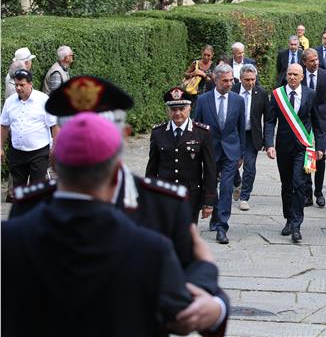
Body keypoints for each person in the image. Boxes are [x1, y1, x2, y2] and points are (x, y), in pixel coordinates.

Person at [11, 75, 229, 334]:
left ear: (56, 157)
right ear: (121, 143)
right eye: (76, 123)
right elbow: (181, 307)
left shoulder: (162, 204)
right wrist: (212, 285)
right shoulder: (30, 204)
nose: (86, 131)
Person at [1, 113, 194, 337]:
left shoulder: (7, 238)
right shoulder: (152, 249)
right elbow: (180, 316)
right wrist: (207, 268)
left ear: (54, 164)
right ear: (116, 174)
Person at [265, 63, 325, 243]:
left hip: (303, 147)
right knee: (286, 185)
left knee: (299, 184)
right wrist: (269, 144)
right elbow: (269, 121)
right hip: (283, 147)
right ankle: (288, 219)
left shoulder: (311, 94)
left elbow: (317, 122)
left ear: (302, 77)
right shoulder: (277, 95)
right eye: (289, 74)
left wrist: (320, 146)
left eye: (295, 75)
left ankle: (297, 224)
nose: (291, 77)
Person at [193, 64, 247, 245]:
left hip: (230, 151)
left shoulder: (238, 101)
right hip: (209, 151)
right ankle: (215, 216)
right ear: (215, 80)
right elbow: (196, 127)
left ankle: (222, 226)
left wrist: (241, 153)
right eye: (225, 81)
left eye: (231, 80)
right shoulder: (203, 100)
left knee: (226, 188)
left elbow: (241, 128)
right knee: (210, 187)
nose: (230, 83)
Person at [146, 87, 217, 225]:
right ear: (167, 110)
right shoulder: (158, 132)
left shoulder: (202, 133)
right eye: (173, 109)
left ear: (189, 108)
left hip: (191, 195)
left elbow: (210, 169)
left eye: (181, 108)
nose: (177, 113)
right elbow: (152, 168)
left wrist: (208, 201)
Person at [1, 69, 58, 189]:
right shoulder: (10, 102)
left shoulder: (43, 100)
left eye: (22, 85)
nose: (18, 88)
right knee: (18, 190)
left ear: (30, 84)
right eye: (16, 85)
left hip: (39, 153)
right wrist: (0, 147)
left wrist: (55, 147)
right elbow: (4, 125)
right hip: (17, 153)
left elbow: (54, 125)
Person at [231, 64, 269, 211]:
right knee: (231, 164)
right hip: (233, 135)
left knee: (250, 167)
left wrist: (267, 140)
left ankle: (244, 197)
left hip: (252, 135)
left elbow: (268, 118)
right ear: (240, 79)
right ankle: (237, 183)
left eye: (253, 79)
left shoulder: (262, 93)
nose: (250, 83)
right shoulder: (233, 91)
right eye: (247, 80)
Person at [301, 48, 326, 208]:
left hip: (322, 120)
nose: (315, 63)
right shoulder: (299, 76)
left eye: (316, 60)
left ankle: (319, 192)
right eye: (311, 61)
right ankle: (307, 193)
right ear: (304, 63)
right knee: (307, 155)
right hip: (305, 120)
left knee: (320, 155)